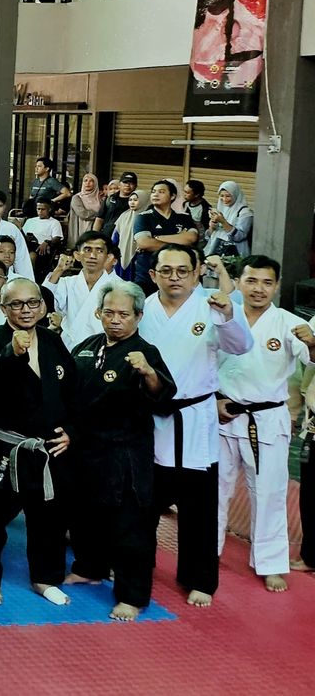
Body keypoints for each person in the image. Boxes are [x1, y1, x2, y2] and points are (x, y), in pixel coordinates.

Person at [135, 244, 249, 607]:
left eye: (183, 270)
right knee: (141, 504)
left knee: (199, 508)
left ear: (197, 272)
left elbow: (241, 346)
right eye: (166, 271)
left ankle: (199, 578)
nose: (175, 278)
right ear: (153, 274)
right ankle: (136, 568)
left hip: (194, 419)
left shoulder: (212, 307)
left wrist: (229, 316)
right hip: (148, 418)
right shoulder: (142, 309)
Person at [64, 281, 175, 621]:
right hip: (86, 447)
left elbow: (163, 395)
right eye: (109, 312)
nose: (115, 319)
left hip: (125, 452)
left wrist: (147, 372)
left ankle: (132, 596)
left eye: (123, 314)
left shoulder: (145, 352)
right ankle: (89, 568)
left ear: (138, 316)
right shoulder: (87, 346)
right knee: (85, 515)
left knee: (130, 525)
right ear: (98, 313)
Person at [0, 278, 76, 606]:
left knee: (49, 515)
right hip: (6, 447)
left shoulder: (52, 340)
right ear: (4, 308)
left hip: (47, 447)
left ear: (43, 306)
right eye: (16, 304)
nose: (26, 310)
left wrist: (71, 430)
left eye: (33, 302)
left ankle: (45, 578)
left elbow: (73, 390)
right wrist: (12, 353)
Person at [214, 255, 313, 592]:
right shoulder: (222, 317)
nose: (258, 289)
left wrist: (313, 343)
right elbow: (202, 362)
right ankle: (207, 552)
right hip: (223, 413)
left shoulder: (289, 323)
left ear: (277, 286)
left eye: (267, 282)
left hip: (267, 418)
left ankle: (270, 563)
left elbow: (312, 358)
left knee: (269, 492)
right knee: (214, 489)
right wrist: (213, 401)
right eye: (252, 280)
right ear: (238, 282)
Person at [130, 181, 198, 295]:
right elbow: (144, 243)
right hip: (147, 277)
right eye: (153, 192)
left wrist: (156, 238)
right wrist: (180, 244)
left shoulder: (184, 218)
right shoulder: (143, 217)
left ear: (172, 196)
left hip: (176, 277)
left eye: (161, 192)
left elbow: (191, 238)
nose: (155, 194)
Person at [203, 181, 252, 258]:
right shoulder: (220, 209)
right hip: (215, 250)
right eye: (222, 196)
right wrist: (212, 226)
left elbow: (239, 236)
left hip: (234, 254)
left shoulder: (245, 212)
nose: (224, 199)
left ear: (235, 195)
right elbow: (208, 236)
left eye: (228, 196)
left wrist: (223, 222)